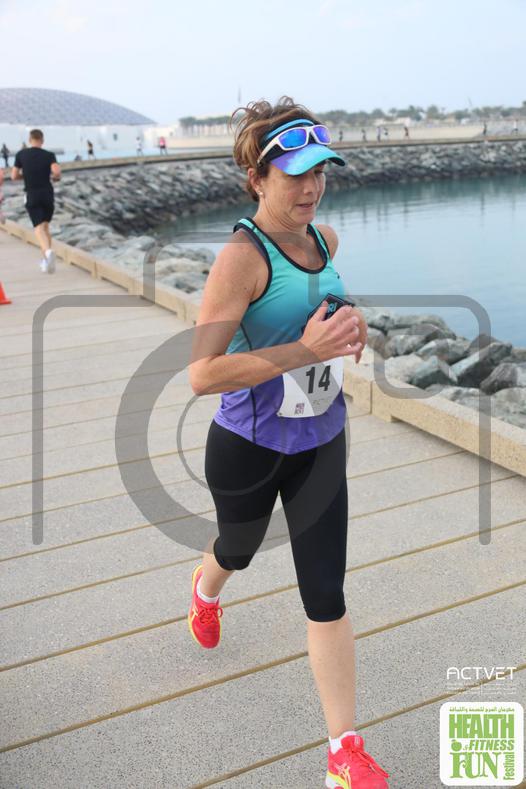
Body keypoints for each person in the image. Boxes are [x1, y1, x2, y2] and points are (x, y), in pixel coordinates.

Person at [187, 96, 389, 788]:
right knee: (237, 548)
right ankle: (206, 588)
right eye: (296, 174)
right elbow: (202, 374)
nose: (312, 187)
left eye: (321, 171)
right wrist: (304, 350)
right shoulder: (240, 259)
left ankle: (343, 750)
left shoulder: (324, 239)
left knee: (325, 592)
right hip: (248, 445)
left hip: (322, 442)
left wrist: (349, 325)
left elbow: (322, 307)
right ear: (257, 178)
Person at [11, 129, 61, 274]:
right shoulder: (49, 155)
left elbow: (14, 176)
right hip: (47, 194)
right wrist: (55, 178)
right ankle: (47, 263)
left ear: (30, 139)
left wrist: (25, 176)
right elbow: (56, 172)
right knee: (45, 227)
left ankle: (48, 252)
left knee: (38, 228)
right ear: (42, 140)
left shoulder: (21, 154)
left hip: (32, 193)